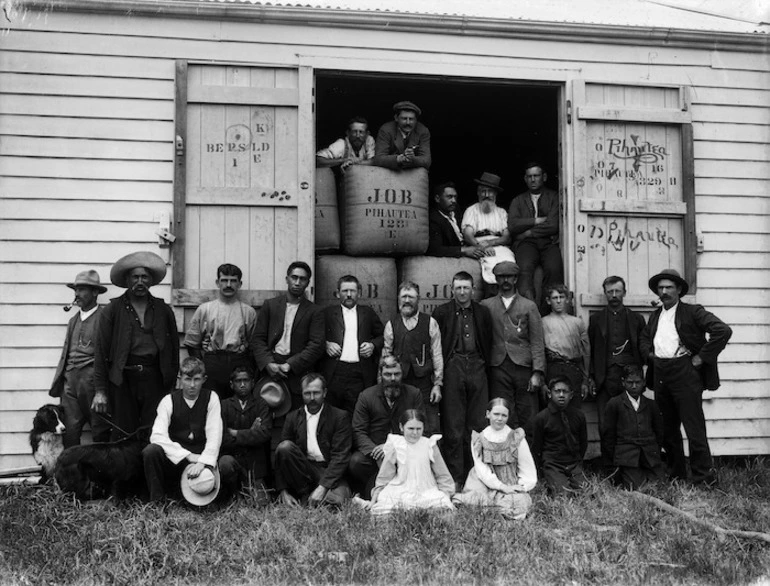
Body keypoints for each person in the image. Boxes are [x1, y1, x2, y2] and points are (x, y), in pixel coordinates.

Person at [639, 268, 732, 486]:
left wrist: (701, 358)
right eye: (661, 288)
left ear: (679, 289)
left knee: (693, 427)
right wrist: (651, 355)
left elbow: (722, 330)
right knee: (667, 428)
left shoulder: (692, 312)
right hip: (662, 373)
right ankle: (676, 474)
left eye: (669, 287)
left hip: (685, 373)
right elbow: (643, 340)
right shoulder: (655, 316)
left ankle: (703, 478)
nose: (664, 292)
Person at [94, 251, 179, 440]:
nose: (140, 282)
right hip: (123, 380)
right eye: (135, 277)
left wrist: (172, 382)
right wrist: (100, 391)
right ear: (127, 279)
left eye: (144, 277)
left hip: (155, 379)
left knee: (155, 432)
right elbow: (100, 353)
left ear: (151, 280)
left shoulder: (163, 310)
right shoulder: (112, 310)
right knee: (124, 435)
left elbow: (173, 350)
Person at [432, 271, 493, 486]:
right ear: (452, 289)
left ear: (473, 289)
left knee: (476, 425)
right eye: (458, 287)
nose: (462, 292)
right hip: (453, 366)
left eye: (466, 287)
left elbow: (489, 341)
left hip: (477, 364)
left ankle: (475, 478)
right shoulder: (442, 312)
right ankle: (456, 479)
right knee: (453, 426)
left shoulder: (483, 312)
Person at [142, 357, 222, 502]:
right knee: (151, 451)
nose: (192, 385)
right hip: (176, 459)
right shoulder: (168, 401)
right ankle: (157, 502)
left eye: (197, 379)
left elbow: (214, 434)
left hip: (201, 458)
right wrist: (186, 455)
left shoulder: (211, 398)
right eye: (187, 379)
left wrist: (202, 462)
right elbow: (157, 436)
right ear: (180, 379)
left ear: (204, 379)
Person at [481, 261, 545, 441]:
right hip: (498, 367)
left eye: (509, 276)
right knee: (502, 413)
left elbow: (537, 340)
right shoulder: (486, 305)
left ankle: (529, 462)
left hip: (523, 368)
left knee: (528, 415)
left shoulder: (528, 306)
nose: (506, 280)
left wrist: (537, 371)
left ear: (516, 279)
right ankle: (505, 461)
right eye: (501, 277)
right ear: (496, 279)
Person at [251, 261, 324, 411]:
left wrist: (290, 365)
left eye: (302, 279)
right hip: (271, 369)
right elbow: (258, 339)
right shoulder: (271, 305)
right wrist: (268, 364)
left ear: (307, 282)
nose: (297, 282)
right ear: (287, 279)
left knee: (296, 418)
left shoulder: (314, 311)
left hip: (298, 371)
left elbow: (316, 345)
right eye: (294, 277)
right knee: (266, 416)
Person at [588, 276, 646, 466]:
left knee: (631, 422)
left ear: (624, 293)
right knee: (606, 425)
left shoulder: (636, 319)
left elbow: (644, 348)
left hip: (629, 380)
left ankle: (630, 466)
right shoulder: (596, 319)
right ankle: (608, 467)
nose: (614, 295)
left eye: (617, 291)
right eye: (610, 291)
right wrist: (591, 377)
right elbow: (590, 350)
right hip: (604, 379)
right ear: (605, 293)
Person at [50, 269, 110, 447]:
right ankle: (72, 474)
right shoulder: (73, 321)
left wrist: (102, 391)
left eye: (82, 289)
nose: (77, 294)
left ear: (95, 292)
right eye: (76, 289)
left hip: (92, 385)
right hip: (69, 386)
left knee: (100, 431)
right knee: (69, 432)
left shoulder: (105, 318)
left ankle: (99, 474)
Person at [349, 356, 425, 497]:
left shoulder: (414, 394)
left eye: (397, 374)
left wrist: (392, 448)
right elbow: (358, 430)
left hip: (404, 452)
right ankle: (377, 487)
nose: (392, 379)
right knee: (356, 462)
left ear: (402, 374)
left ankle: (382, 490)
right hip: (375, 454)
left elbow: (419, 428)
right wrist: (374, 451)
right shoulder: (366, 396)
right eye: (387, 374)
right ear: (380, 375)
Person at [274, 373, 353, 507]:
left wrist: (323, 487)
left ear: (324, 393)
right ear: (301, 394)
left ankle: (311, 498)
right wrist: (283, 491)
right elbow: (280, 458)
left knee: (339, 502)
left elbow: (341, 457)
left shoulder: (339, 417)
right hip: (303, 472)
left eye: (316, 393)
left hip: (328, 470)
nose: (312, 398)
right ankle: (306, 494)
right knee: (284, 447)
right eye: (307, 393)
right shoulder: (292, 417)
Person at [356, 410, 454, 515]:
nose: (415, 433)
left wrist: (446, 495)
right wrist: (375, 497)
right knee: (387, 504)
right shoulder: (397, 444)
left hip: (426, 489)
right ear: (401, 427)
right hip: (402, 487)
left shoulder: (429, 445)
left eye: (419, 429)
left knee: (441, 506)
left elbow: (443, 475)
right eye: (411, 428)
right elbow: (385, 475)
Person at [453, 398, 537, 520]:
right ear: (488, 414)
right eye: (496, 414)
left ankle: (498, 510)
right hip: (484, 482)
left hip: (510, 481)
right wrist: (501, 487)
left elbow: (526, 465)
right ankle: (493, 510)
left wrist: (521, 487)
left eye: (504, 415)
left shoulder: (516, 437)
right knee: (478, 499)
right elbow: (482, 470)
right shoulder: (479, 439)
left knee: (518, 502)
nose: (499, 418)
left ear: (508, 417)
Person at [184, 263, 257, 401]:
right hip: (213, 363)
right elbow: (192, 343)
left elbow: (254, 346)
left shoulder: (248, 312)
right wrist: (202, 366)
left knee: (238, 405)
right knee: (211, 404)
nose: (228, 285)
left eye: (233, 281)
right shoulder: (205, 309)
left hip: (238, 363)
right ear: (218, 283)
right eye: (224, 280)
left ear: (239, 284)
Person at [383, 281, 443, 435]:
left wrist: (437, 384)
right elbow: (386, 355)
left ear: (419, 299)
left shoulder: (430, 323)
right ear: (398, 299)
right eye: (403, 297)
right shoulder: (391, 325)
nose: (407, 301)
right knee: (400, 426)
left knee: (429, 428)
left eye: (411, 297)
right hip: (399, 384)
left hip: (424, 384)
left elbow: (437, 355)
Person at [321, 275, 384, 414]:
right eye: (344, 291)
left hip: (359, 373)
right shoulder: (328, 313)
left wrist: (373, 345)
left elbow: (383, 336)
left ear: (359, 293)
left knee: (357, 413)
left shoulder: (367, 313)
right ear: (338, 293)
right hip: (335, 372)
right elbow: (315, 337)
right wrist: (326, 344)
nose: (349, 295)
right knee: (333, 414)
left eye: (352, 291)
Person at [507, 162, 563, 312]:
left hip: (548, 242)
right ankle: (527, 311)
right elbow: (512, 225)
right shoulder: (518, 201)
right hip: (526, 244)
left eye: (536, 176)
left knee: (554, 268)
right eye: (529, 176)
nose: (533, 180)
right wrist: (537, 221)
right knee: (524, 269)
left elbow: (553, 225)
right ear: (525, 179)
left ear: (544, 177)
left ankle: (547, 312)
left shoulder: (554, 197)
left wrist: (527, 232)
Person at [602, 365, 665, 490]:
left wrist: (655, 451)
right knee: (637, 487)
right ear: (623, 382)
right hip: (628, 455)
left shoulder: (651, 404)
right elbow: (608, 435)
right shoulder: (614, 404)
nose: (634, 386)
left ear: (644, 383)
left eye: (638, 382)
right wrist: (613, 462)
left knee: (659, 486)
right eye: (630, 382)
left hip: (649, 454)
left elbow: (659, 432)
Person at [217, 366, 272, 503]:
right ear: (231, 384)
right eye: (238, 381)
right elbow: (222, 438)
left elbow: (264, 434)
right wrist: (251, 433)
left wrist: (235, 433)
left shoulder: (261, 405)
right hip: (233, 460)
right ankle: (233, 492)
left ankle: (249, 490)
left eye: (246, 380)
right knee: (225, 463)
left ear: (252, 383)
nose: (242, 384)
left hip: (254, 465)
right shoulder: (223, 406)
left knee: (261, 503)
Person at [531, 376, 588, 494]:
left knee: (585, 491)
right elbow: (536, 447)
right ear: (549, 394)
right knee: (563, 493)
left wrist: (577, 460)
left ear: (571, 395)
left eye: (565, 392)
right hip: (553, 464)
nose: (561, 395)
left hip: (573, 463)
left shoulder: (578, 415)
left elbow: (583, 443)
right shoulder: (542, 418)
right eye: (557, 391)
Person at [460, 172, 516, 284]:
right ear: (478, 193)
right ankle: (492, 298)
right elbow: (468, 235)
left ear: (495, 194)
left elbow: (506, 237)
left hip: (498, 245)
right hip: (478, 244)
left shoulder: (501, 212)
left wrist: (490, 243)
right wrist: (481, 247)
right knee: (491, 267)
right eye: (483, 191)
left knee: (510, 264)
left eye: (490, 191)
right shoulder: (472, 210)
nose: (486, 194)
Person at [542, 284, 590, 408]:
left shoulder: (577, 323)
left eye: (562, 297)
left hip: (573, 369)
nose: (558, 301)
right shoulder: (543, 322)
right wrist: (542, 381)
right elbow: (539, 352)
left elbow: (586, 352)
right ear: (548, 301)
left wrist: (585, 380)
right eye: (554, 298)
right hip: (552, 369)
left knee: (573, 409)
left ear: (568, 299)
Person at [427, 181, 486, 259]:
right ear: (437, 199)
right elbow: (435, 249)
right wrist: (463, 250)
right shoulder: (434, 219)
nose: (453, 201)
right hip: (458, 255)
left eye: (455, 197)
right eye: (449, 197)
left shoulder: (456, 211)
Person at [373, 100, 431, 170]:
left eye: (411, 119)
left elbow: (427, 161)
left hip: (412, 172)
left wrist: (413, 159)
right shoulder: (386, 130)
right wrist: (398, 159)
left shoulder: (423, 131)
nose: (408, 123)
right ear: (396, 118)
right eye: (404, 119)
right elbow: (378, 159)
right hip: (390, 171)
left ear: (416, 120)